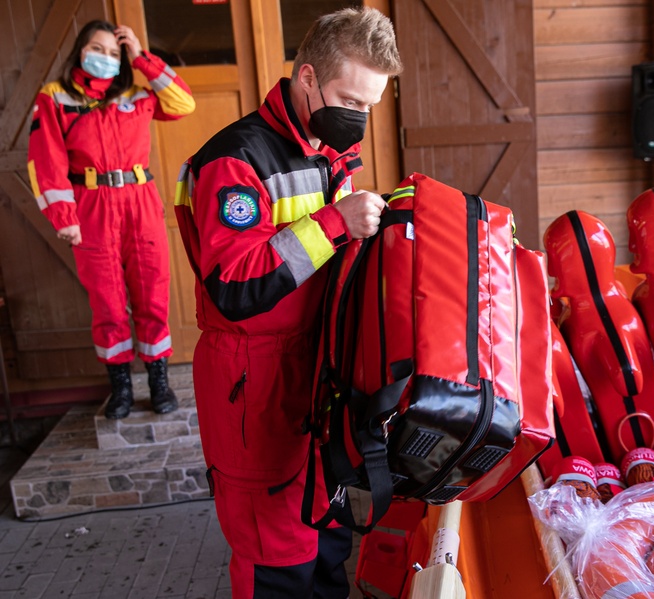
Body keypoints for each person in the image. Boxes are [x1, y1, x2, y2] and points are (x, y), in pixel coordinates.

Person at [174, 7, 402, 598]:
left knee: (325, 539)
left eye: (370, 107)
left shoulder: (327, 150)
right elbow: (235, 285)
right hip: (253, 380)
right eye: (350, 100)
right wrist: (335, 222)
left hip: (314, 371)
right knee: (276, 559)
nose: (359, 117)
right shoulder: (236, 160)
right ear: (306, 78)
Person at [27, 20, 195, 419]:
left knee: (153, 294)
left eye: (112, 52)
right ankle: (120, 387)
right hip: (90, 207)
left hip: (140, 202)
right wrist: (63, 216)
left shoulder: (138, 94)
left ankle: (158, 382)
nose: (104, 57)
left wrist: (140, 57)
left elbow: (183, 103)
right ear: (80, 51)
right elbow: (44, 161)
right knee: (108, 303)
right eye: (96, 48)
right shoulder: (55, 98)